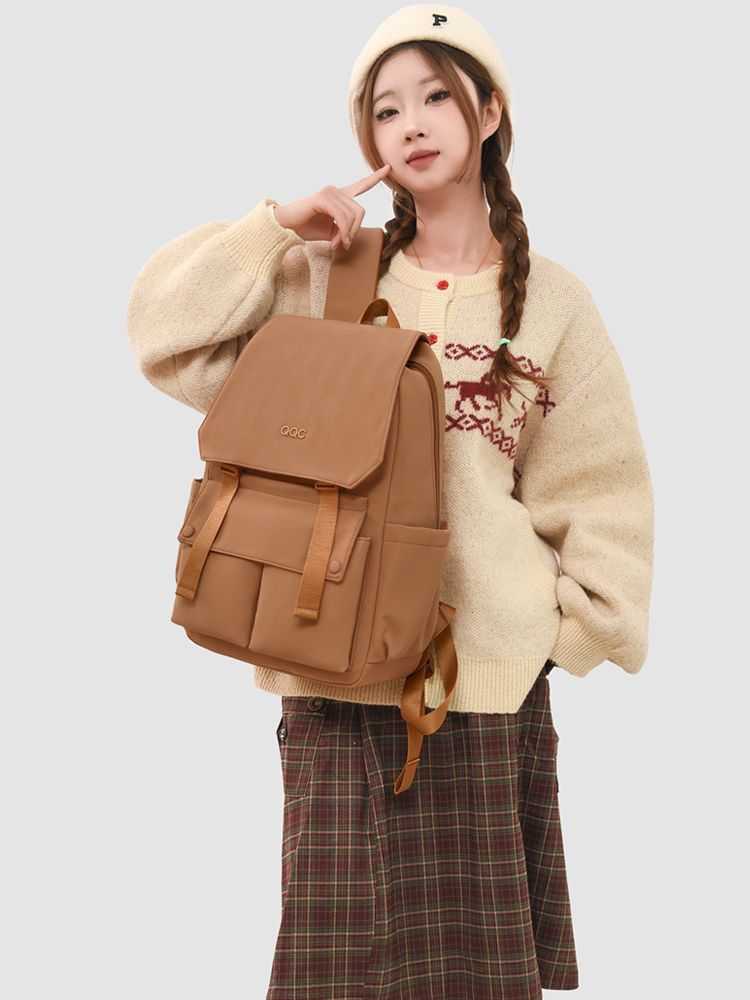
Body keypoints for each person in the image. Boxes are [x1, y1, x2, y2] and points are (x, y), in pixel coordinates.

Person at [126, 5, 654, 997]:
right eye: (386, 109)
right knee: (332, 972)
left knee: (477, 976)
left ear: (489, 113)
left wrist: (565, 634)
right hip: (329, 673)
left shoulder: (553, 303)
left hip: (483, 686)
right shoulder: (325, 279)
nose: (410, 123)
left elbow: (601, 484)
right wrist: (273, 228)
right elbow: (165, 338)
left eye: (436, 97)